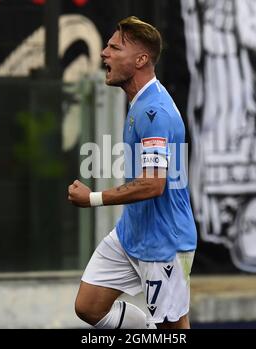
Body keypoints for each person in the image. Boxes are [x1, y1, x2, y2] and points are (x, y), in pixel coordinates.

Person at [68, 16, 197, 329]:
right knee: (88, 307)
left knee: (173, 330)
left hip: (164, 242)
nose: (103, 53)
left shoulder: (155, 112)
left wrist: (93, 198)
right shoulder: (139, 102)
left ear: (141, 60)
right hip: (131, 234)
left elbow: (154, 185)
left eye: (114, 47)